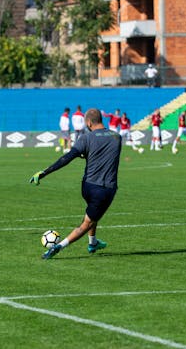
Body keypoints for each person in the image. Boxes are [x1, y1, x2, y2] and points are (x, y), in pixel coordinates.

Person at [29, 108, 122, 260]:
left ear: (88, 122)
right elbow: (105, 153)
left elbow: (67, 158)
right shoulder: (117, 137)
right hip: (104, 189)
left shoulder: (86, 138)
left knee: (93, 213)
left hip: (87, 186)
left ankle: (93, 243)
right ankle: (58, 247)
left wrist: (45, 172)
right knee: (87, 223)